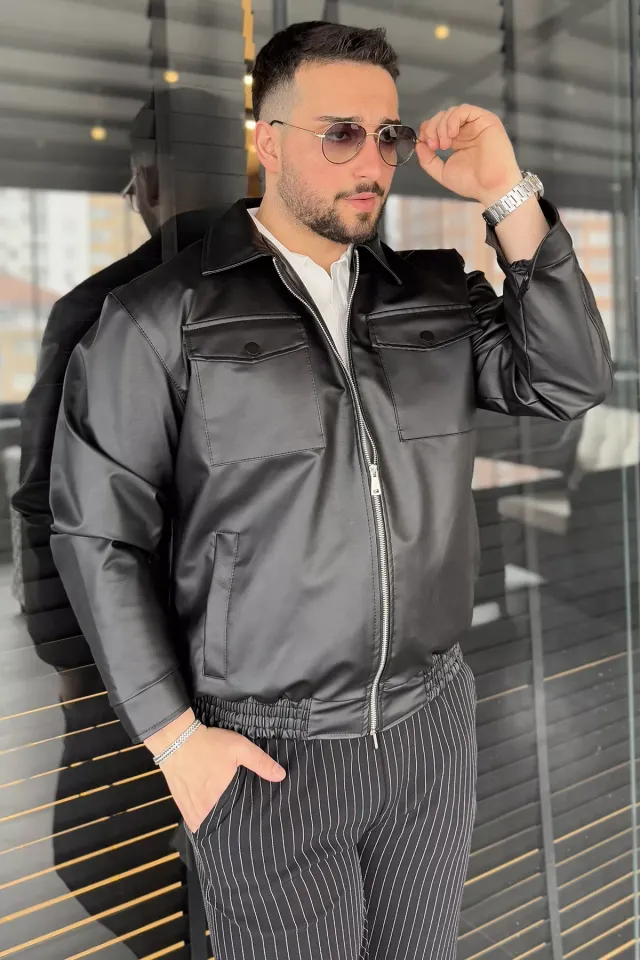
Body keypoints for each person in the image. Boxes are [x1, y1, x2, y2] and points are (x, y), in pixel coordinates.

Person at [48, 21, 612, 960]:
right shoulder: (159, 318)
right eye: (340, 133)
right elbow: (96, 532)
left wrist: (508, 192)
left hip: (430, 726)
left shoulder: (432, 295)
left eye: (388, 136)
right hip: (270, 752)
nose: (373, 160)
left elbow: (567, 379)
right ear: (268, 142)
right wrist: (173, 738)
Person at [12, 85, 224, 650]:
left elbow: (47, 501)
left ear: (148, 180)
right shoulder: (313, 291)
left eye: (132, 190)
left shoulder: (95, 309)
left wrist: (68, 655)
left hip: (147, 648)